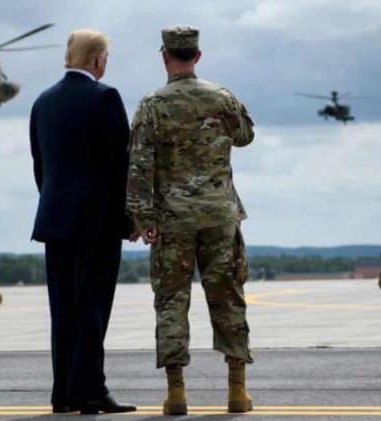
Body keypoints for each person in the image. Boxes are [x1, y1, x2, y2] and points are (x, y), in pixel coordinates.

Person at [126, 25, 254, 415]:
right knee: (228, 297)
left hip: (171, 219)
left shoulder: (152, 105)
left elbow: (139, 165)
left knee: (171, 302)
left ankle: (177, 393)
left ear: (164, 55)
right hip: (219, 216)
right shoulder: (221, 97)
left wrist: (141, 217)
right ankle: (236, 391)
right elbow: (246, 135)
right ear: (197, 55)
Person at [29, 29, 136, 415]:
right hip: (97, 222)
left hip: (54, 220)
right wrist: (130, 218)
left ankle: (65, 394)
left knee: (64, 310)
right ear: (98, 61)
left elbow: (41, 168)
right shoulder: (105, 97)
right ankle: (91, 391)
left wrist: (58, 205)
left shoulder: (43, 101)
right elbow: (120, 164)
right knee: (92, 307)